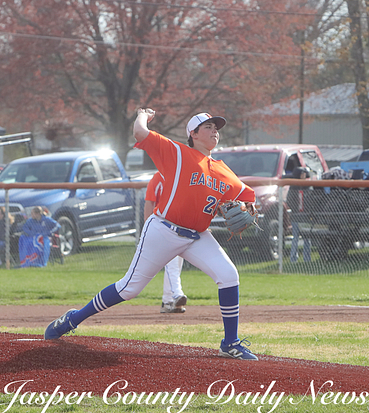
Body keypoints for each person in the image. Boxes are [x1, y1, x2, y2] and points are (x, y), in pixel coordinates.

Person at [45, 109, 259, 360]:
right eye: (208, 127)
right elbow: (140, 132)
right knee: (129, 289)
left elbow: (247, 196)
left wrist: (248, 208)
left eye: (216, 128)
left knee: (229, 275)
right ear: (193, 133)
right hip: (164, 230)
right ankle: (73, 318)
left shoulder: (225, 171)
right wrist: (142, 115)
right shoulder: (177, 152)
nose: (215, 131)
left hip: (197, 236)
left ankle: (230, 343)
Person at [144, 171, 188, 313]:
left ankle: (168, 301)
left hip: (181, 227)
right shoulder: (158, 178)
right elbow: (149, 203)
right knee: (172, 264)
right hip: (162, 227)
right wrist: (148, 229)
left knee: (176, 264)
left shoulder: (183, 176)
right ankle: (177, 293)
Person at [288, 167, 312, 263]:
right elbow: (290, 201)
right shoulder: (293, 188)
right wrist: (295, 210)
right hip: (296, 216)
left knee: (307, 237)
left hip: (305, 216)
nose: (304, 176)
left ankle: (307, 259)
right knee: (295, 237)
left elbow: (311, 201)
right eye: (302, 174)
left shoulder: (308, 187)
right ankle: (293, 258)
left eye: (305, 174)